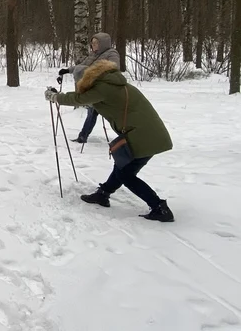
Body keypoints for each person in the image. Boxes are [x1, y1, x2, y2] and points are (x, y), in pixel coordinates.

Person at [45, 59, 174, 222]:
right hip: (147, 132)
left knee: (126, 174)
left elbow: (78, 99)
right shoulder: (111, 83)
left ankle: (159, 207)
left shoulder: (103, 88)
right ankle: (103, 194)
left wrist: (55, 97)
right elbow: (89, 101)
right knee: (122, 165)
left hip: (143, 135)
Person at [58, 32, 120, 143]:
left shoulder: (112, 53)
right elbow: (82, 65)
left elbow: (113, 69)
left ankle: (126, 137)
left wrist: (92, 71)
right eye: (92, 43)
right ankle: (83, 136)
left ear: (103, 43)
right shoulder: (93, 54)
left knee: (113, 116)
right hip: (95, 88)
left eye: (96, 43)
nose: (93, 45)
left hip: (107, 89)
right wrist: (68, 70)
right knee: (92, 111)